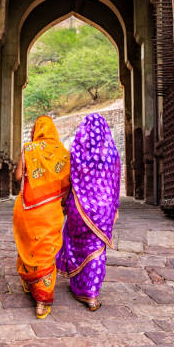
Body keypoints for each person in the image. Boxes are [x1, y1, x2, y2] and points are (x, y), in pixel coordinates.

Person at [56, 113, 120, 311]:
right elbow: (115, 184)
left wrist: (62, 202)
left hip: (79, 208)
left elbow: (67, 180)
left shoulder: (76, 153)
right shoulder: (112, 155)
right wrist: (113, 207)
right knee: (97, 249)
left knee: (76, 244)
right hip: (103, 211)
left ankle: (79, 286)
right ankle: (91, 293)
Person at [13, 115, 70, 319]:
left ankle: (30, 282)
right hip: (50, 212)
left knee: (28, 247)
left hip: (27, 208)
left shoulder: (29, 149)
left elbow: (18, 177)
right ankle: (42, 301)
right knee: (46, 252)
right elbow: (66, 187)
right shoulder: (63, 154)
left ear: (36, 130)